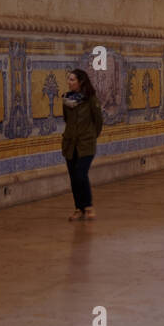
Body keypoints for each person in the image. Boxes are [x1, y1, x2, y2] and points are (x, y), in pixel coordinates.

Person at [62, 68, 103, 221]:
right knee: (73, 177)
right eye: (69, 79)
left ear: (81, 82)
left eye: (72, 79)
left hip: (86, 144)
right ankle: (78, 208)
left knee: (81, 174)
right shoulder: (67, 99)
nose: (69, 82)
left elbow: (98, 120)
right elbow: (67, 119)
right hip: (70, 144)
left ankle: (88, 205)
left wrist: (91, 136)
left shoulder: (90, 99)